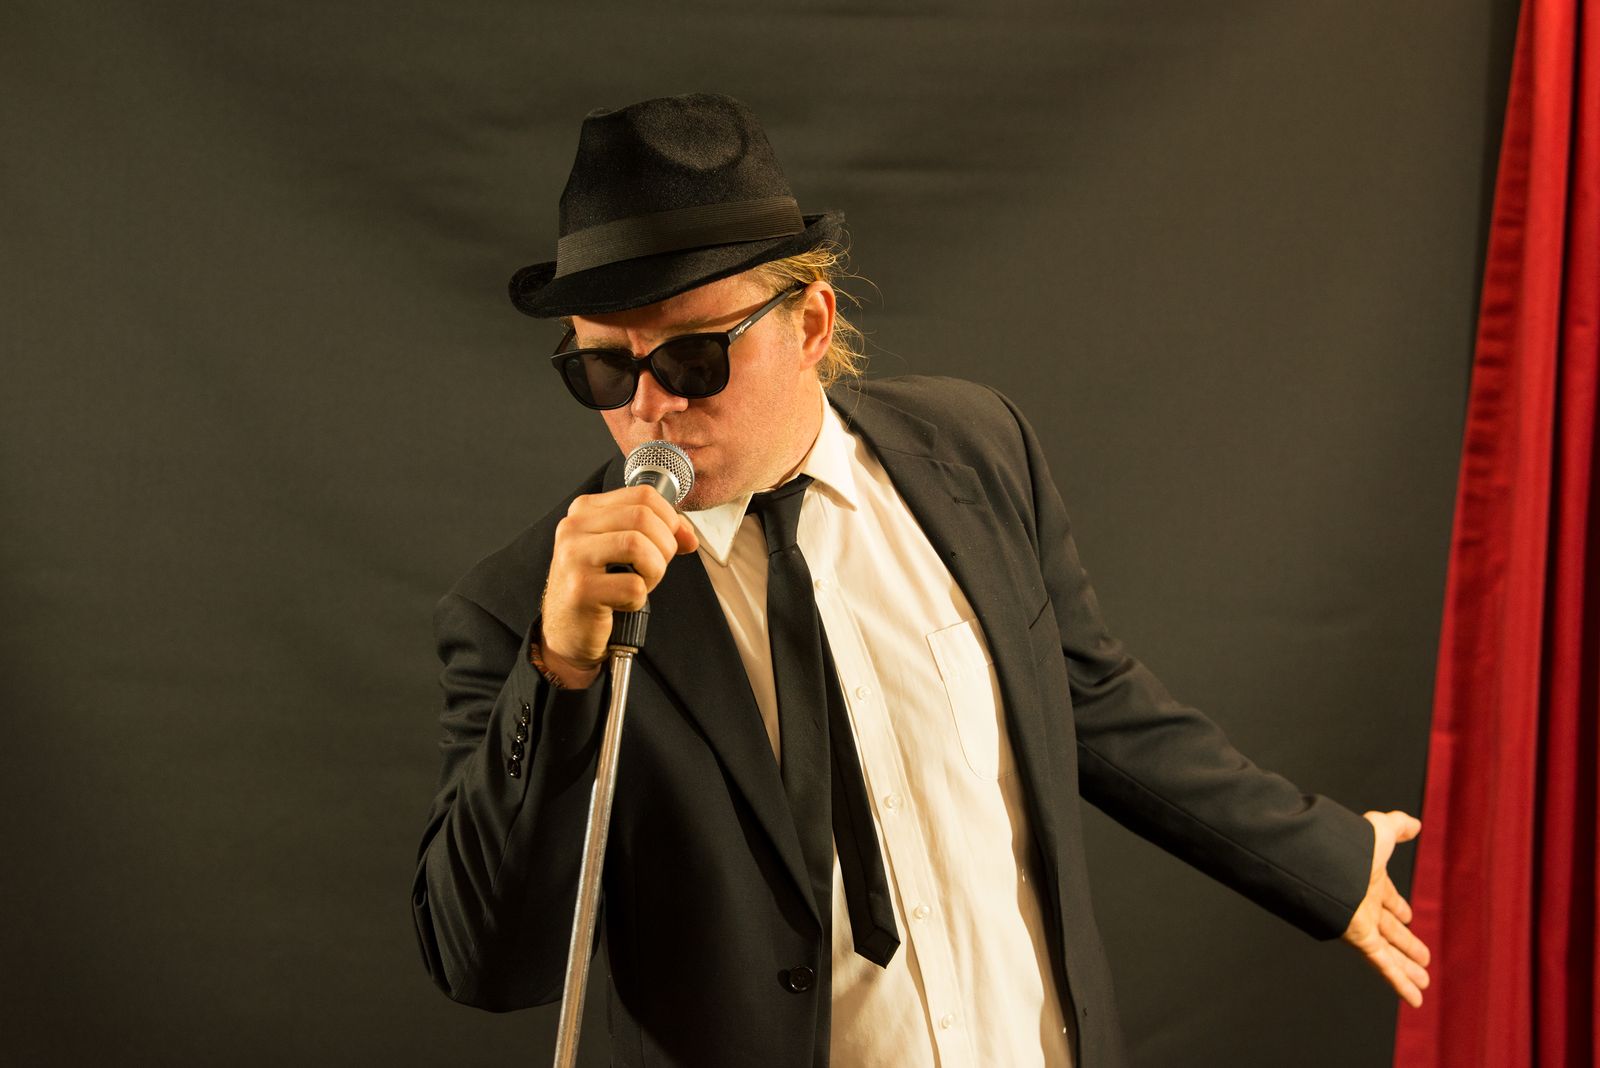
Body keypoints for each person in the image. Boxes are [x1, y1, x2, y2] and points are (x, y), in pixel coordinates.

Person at [411, 92, 1430, 1068]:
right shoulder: (526, 610)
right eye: (602, 368)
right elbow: (483, 960)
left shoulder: (973, 450)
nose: (648, 410)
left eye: (692, 361)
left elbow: (1089, 700)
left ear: (811, 324)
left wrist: (1321, 863)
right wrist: (561, 671)